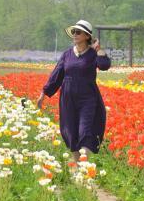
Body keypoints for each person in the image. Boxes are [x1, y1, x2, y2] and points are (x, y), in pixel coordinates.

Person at [36, 19, 111, 153]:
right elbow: (57, 74)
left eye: (78, 32)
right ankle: (76, 170)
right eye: (73, 32)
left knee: (85, 131)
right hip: (68, 99)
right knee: (71, 133)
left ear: (87, 36)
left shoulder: (93, 54)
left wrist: (98, 49)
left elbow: (104, 65)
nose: (75, 34)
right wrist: (44, 93)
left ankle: (84, 167)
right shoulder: (67, 54)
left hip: (88, 98)